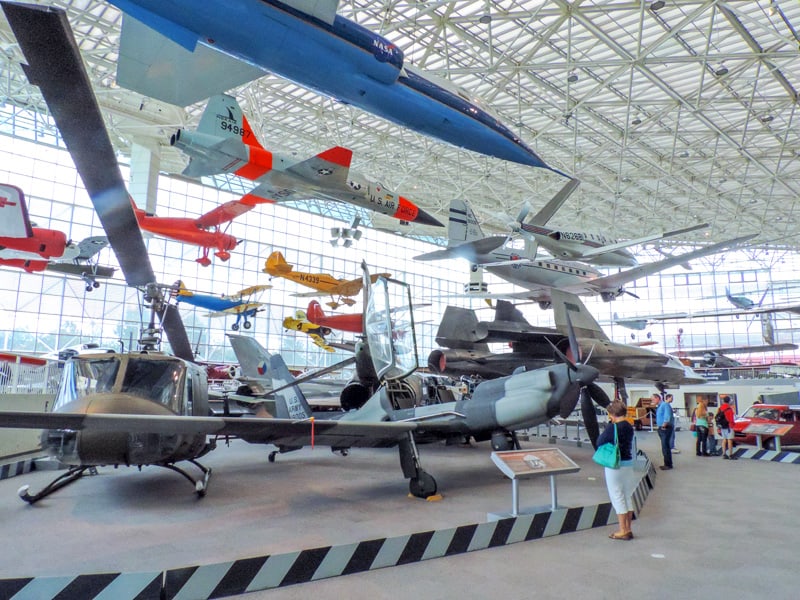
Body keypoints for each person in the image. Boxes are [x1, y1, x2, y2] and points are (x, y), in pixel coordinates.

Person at [596, 400, 636, 540]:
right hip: (628, 463)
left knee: (617, 496)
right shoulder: (629, 426)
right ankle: (629, 528)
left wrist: (609, 424)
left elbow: (599, 441)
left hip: (615, 465)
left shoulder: (613, 427)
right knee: (627, 496)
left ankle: (622, 530)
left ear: (612, 414)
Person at [655, 392, 674, 470]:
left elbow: (667, 416)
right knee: (664, 446)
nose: (652, 401)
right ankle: (667, 463)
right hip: (661, 428)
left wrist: (664, 425)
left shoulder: (664, 405)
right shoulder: (660, 406)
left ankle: (668, 464)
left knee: (665, 446)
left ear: (658, 398)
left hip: (665, 428)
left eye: (653, 399)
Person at [718, 395, 737, 460]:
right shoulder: (729, 408)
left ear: (723, 401)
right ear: (729, 401)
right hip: (729, 426)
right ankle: (730, 454)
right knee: (729, 440)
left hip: (723, 426)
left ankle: (724, 454)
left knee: (724, 439)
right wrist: (733, 424)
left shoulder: (720, 408)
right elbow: (731, 419)